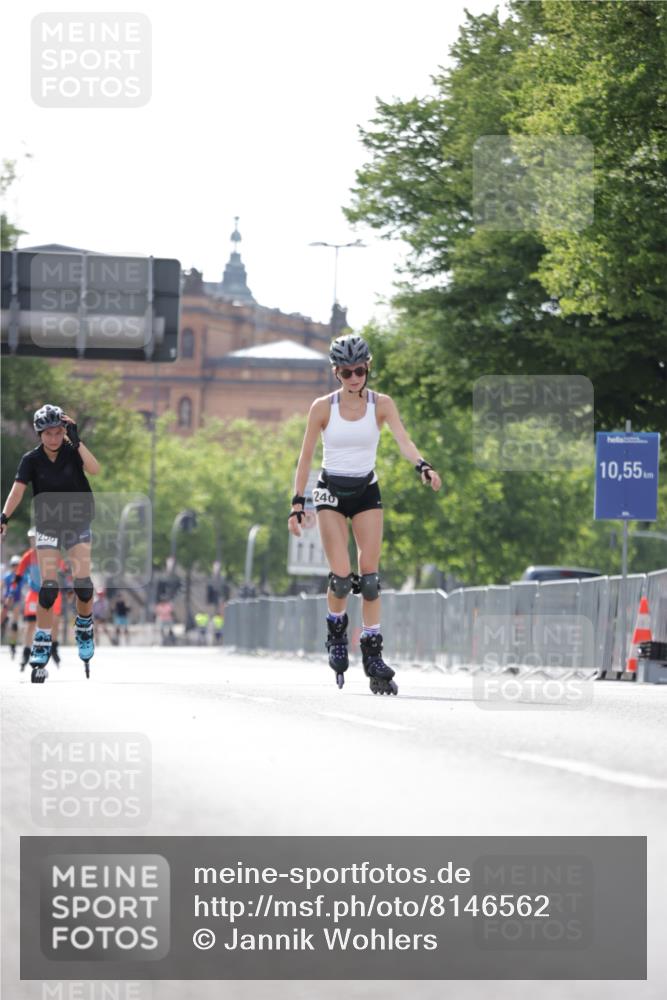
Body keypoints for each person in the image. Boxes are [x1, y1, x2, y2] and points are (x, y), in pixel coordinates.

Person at [288, 333, 442, 694]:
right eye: (346, 372)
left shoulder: (382, 405)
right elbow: (306, 456)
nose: (354, 378)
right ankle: (336, 629)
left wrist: (422, 466)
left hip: (365, 489)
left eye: (359, 370)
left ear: (368, 368)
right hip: (329, 490)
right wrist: (298, 503)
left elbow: (404, 440)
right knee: (342, 578)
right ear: (336, 373)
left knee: (370, 580)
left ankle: (372, 653)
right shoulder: (322, 408)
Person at [0, 404, 101, 682]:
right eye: (48, 434)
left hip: (78, 520)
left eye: (58, 433)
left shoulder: (72, 450)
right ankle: (41, 642)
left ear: (64, 431)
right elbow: (16, 491)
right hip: (47, 524)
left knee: (83, 586)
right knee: (47, 588)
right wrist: (4, 515)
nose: (54, 439)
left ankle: (84, 625)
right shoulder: (30, 460)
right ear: (39, 433)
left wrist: (77, 440)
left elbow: (95, 469)